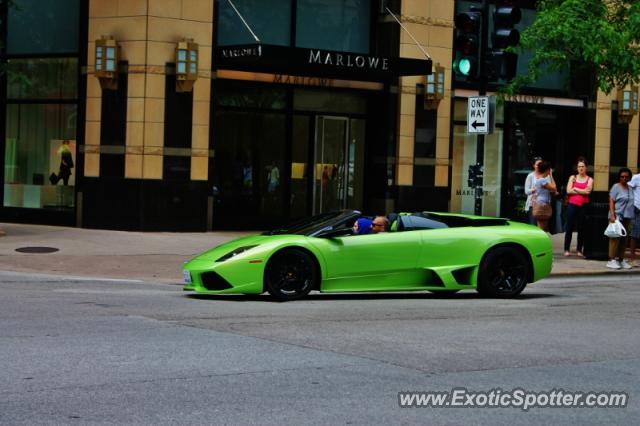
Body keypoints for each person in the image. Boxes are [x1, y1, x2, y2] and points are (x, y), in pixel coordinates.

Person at [563, 157, 593, 257]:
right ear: (577, 168)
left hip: (583, 206)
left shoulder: (590, 179)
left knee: (581, 228)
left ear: (586, 168)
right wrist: (581, 191)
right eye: (579, 166)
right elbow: (568, 191)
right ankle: (566, 249)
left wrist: (575, 188)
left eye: (582, 166)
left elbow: (588, 192)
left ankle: (579, 250)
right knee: (569, 227)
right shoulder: (573, 177)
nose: (580, 168)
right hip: (572, 205)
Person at [607, 168, 634, 269]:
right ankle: (611, 260)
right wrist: (612, 215)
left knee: (624, 239)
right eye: (622, 176)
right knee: (615, 238)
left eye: (626, 177)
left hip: (627, 216)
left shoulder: (630, 188)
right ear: (619, 177)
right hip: (617, 216)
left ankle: (621, 259)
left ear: (629, 178)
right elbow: (611, 200)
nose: (624, 178)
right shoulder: (616, 187)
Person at [531, 161, 557, 232]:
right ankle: (539, 242)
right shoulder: (542, 180)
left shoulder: (540, 179)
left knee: (541, 227)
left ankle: (538, 242)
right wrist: (551, 175)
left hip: (539, 204)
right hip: (543, 206)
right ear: (548, 170)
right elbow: (554, 187)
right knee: (542, 229)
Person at [628, 169, 640, 267]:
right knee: (634, 233)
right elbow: (629, 188)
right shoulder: (636, 177)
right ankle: (632, 258)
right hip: (637, 207)